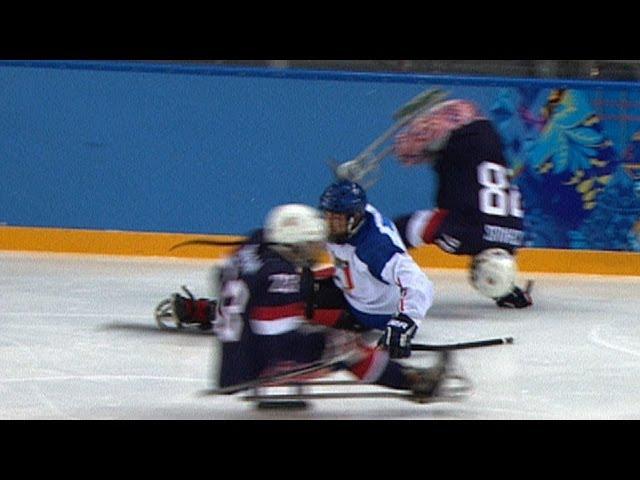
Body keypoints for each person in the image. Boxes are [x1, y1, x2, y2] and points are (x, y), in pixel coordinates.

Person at [206, 203, 449, 399]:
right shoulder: (279, 277)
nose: (316, 250)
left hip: (232, 356)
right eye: (310, 245)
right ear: (292, 246)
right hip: (253, 369)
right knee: (345, 347)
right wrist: (328, 343)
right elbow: (278, 344)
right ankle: (411, 381)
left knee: (307, 296)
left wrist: (198, 311)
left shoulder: (254, 245)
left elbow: (238, 294)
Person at [387, 98, 532, 308]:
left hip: (480, 126)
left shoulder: (514, 240)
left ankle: (505, 291)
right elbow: (411, 227)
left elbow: (489, 240)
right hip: (452, 132)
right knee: (405, 151)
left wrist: (505, 288)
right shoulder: (464, 236)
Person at [311, 179, 435, 360]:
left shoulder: (375, 247)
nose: (329, 225)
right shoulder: (351, 222)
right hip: (354, 287)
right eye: (327, 216)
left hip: (372, 313)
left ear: (354, 218)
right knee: (298, 283)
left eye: (336, 219)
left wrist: (405, 322)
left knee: (299, 297)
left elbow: (421, 284)